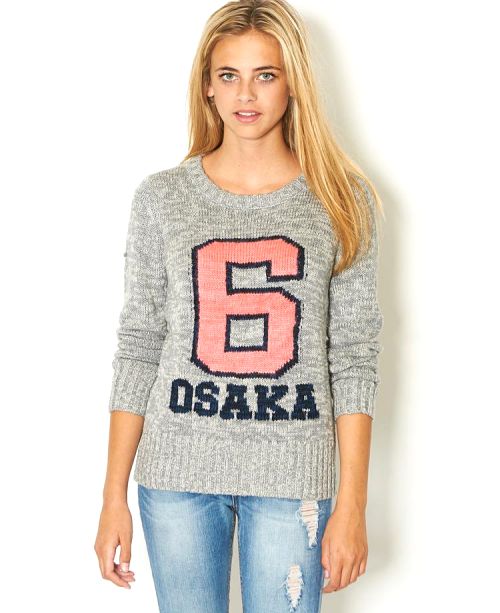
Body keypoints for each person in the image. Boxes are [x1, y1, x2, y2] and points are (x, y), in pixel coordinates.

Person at [94, 1, 384, 611]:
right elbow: (140, 344)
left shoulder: (341, 200)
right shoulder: (162, 199)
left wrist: (353, 503)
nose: (245, 94)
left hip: (293, 475)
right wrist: (112, 495)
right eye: (228, 75)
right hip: (176, 474)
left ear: (293, 83)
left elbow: (354, 357)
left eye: (265, 74)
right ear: (207, 85)